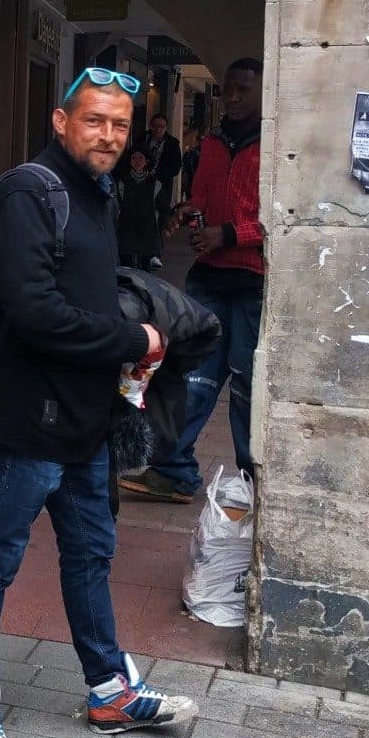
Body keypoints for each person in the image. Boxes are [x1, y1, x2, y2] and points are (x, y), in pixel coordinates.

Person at [0, 67, 196, 738]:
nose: (110, 135)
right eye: (95, 120)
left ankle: (110, 690)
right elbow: (32, 312)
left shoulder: (97, 193)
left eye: (120, 124)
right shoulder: (30, 189)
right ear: (62, 122)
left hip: (86, 423)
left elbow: (84, 297)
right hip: (30, 422)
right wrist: (134, 340)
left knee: (91, 557)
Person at [119, 59, 265, 503]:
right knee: (191, 377)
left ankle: (250, 485)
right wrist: (187, 210)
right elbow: (203, 194)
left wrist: (232, 234)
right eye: (229, 89)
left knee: (244, 386)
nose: (234, 97)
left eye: (243, 89)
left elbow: (284, 217)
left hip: (251, 281)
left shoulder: (277, 145)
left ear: (264, 92)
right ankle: (175, 470)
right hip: (209, 278)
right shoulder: (214, 142)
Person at [138, 113, 183, 241]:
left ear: (166, 128)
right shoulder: (143, 138)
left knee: (161, 211)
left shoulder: (172, 143)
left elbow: (176, 165)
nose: (158, 130)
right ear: (150, 126)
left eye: (162, 127)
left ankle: (157, 239)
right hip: (142, 180)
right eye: (155, 126)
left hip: (162, 182)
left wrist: (161, 175)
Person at [115, 147, 163, 269]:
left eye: (141, 158)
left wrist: (164, 226)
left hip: (147, 229)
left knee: (146, 270)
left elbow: (162, 206)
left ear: (147, 161)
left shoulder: (155, 183)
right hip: (127, 228)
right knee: (127, 268)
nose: (137, 161)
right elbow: (117, 204)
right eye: (134, 158)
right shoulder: (122, 182)